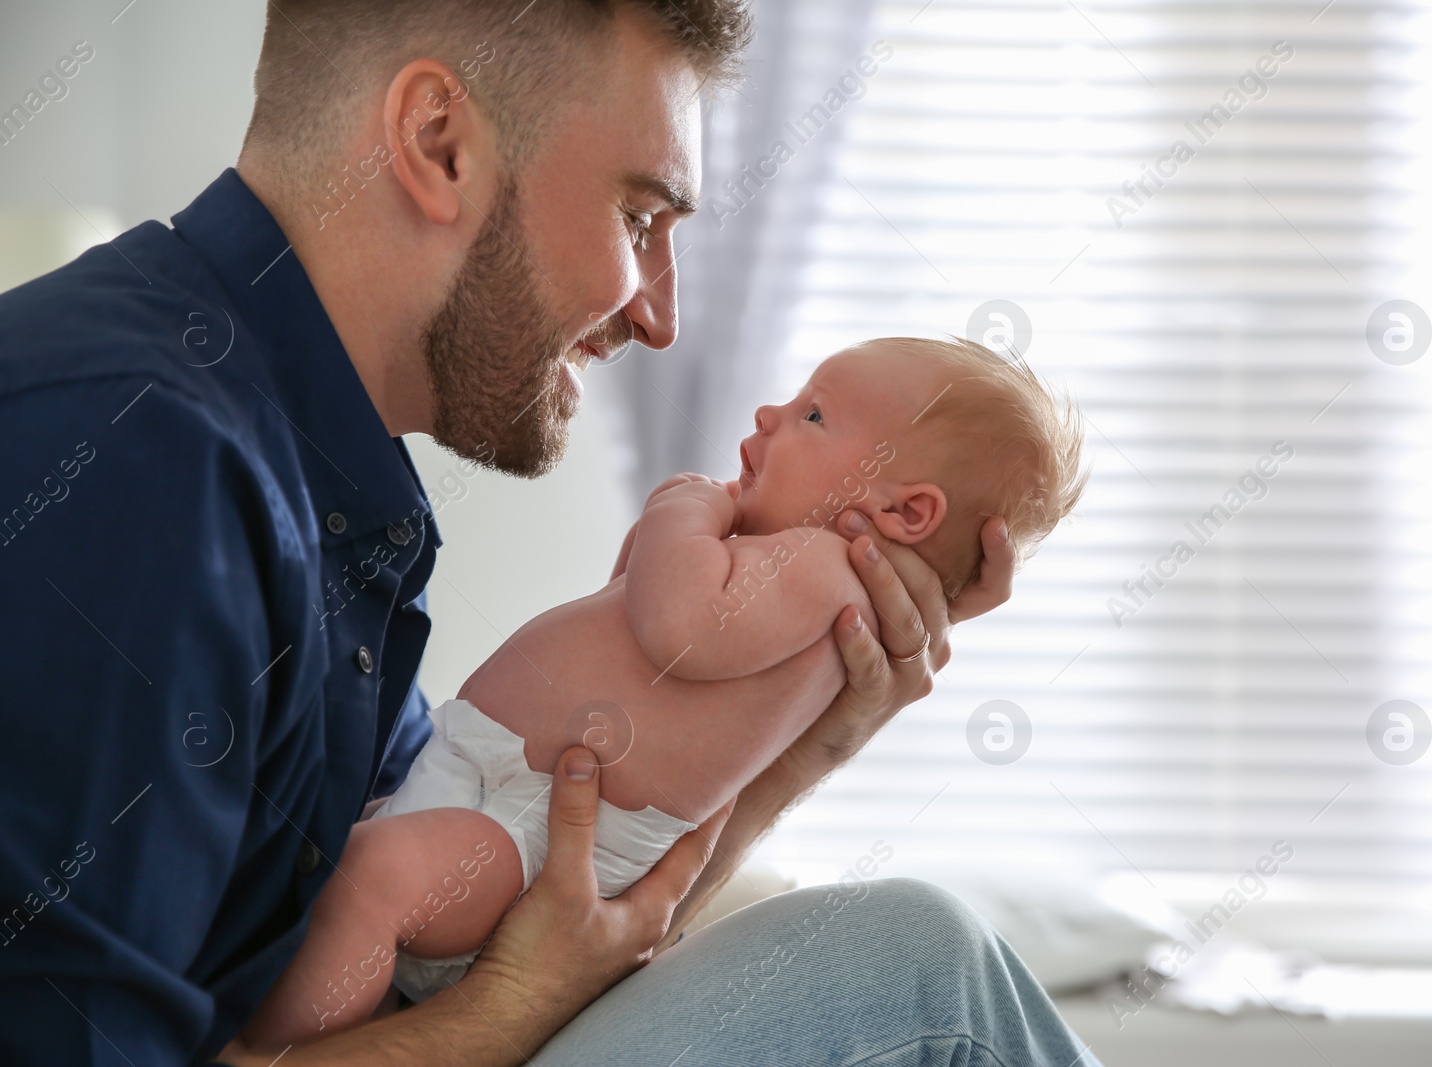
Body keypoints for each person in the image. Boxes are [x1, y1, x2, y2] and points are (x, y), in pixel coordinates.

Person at [0, 1, 1100, 1063]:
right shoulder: (132, 450)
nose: (657, 316)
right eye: (639, 218)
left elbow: (527, 902)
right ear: (439, 144)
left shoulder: (314, 467)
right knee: (926, 972)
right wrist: (506, 1012)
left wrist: (813, 735)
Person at [234, 337, 1088, 1047]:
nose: (770, 415)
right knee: (344, 874)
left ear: (905, 513)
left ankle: (282, 1050)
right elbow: (629, 608)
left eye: (815, 416)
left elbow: (679, 627)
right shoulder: (781, 572)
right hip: (501, 806)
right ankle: (349, 1019)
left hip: (528, 837)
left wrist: (681, 505)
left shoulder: (821, 572)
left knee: (366, 881)